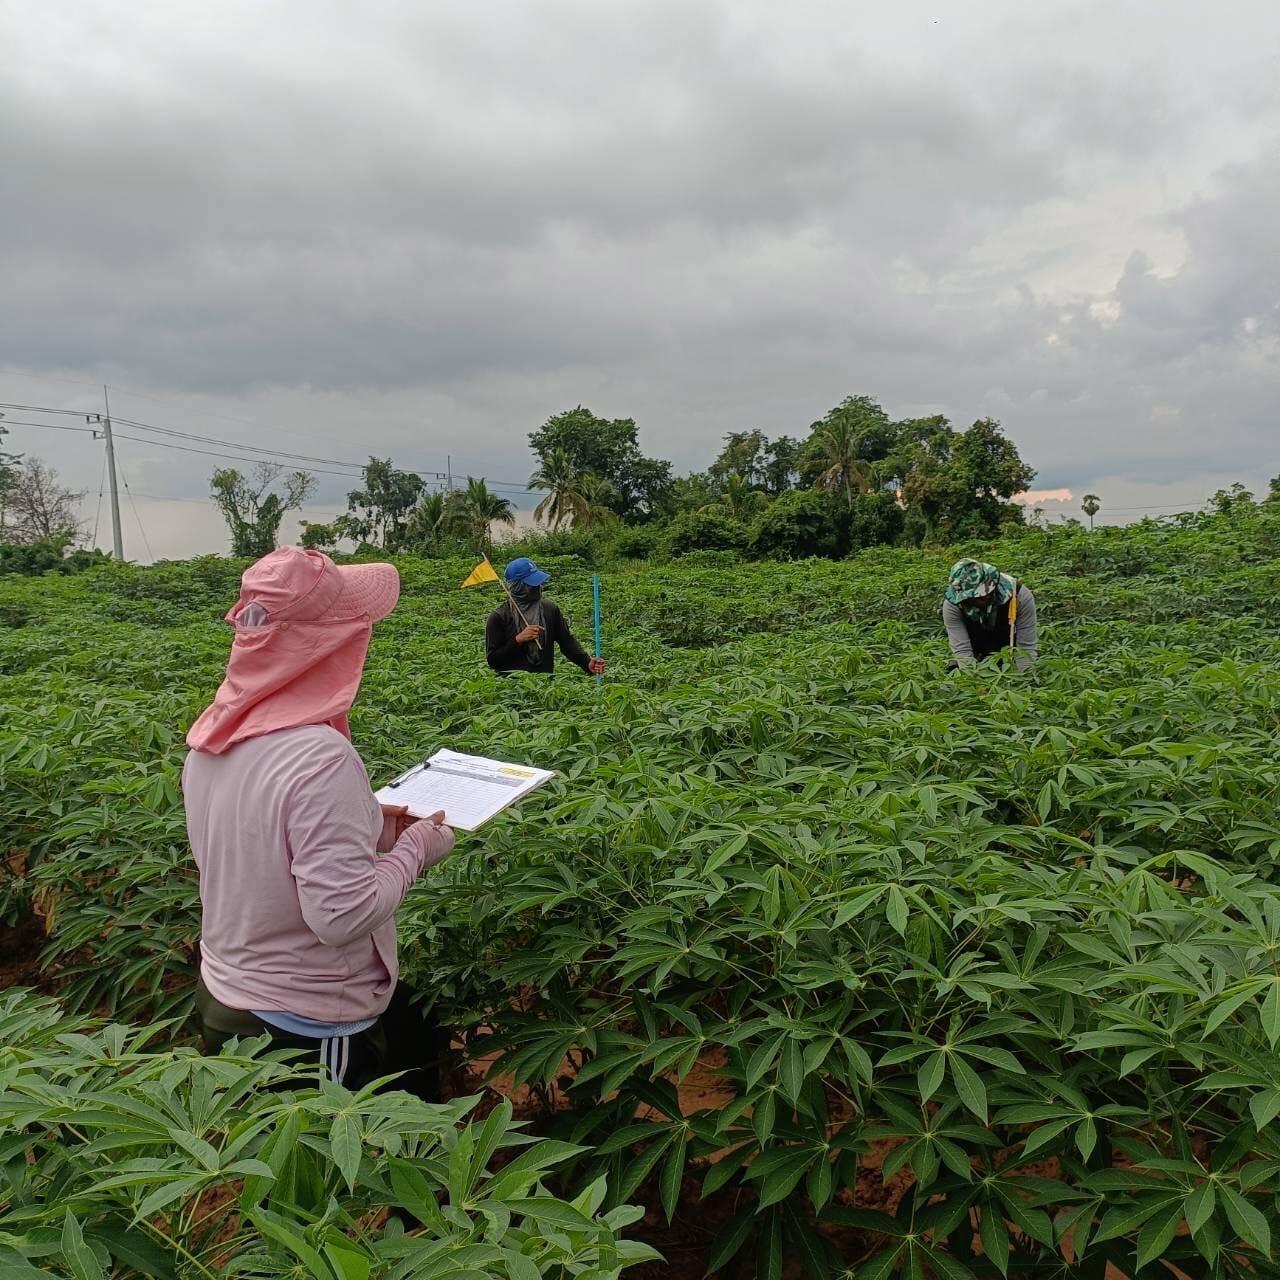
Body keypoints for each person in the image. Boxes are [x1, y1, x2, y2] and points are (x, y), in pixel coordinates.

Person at [183, 546, 456, 1096]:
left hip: (227, 996)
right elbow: (341, 915)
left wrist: (369, 824)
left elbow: (261, 837)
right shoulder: (320, 757)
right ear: (327, 644)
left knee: (275, 1173)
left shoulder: (211, 738)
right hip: (300, 1025)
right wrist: (414, 850)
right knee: (333, 1178)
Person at [485, 556, 606, 678]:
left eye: (538, 582)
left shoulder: (549, 609)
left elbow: (567, 642)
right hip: (510, 691)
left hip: (544, 687)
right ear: (518, 587)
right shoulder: (499, 617)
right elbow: (494, 661)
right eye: (532, 583)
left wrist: (587, 662)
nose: (538, 586)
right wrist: (518, 640)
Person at [943, 558, 1038, 671]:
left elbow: (1025, 648)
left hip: (1010, 651)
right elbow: (962, 650)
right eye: (969, 598)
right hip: (976, 651)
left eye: (978, 597)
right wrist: (972, 683)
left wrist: (1023, 680)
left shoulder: (1020, 597)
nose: (974, 601)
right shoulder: (953, 605)